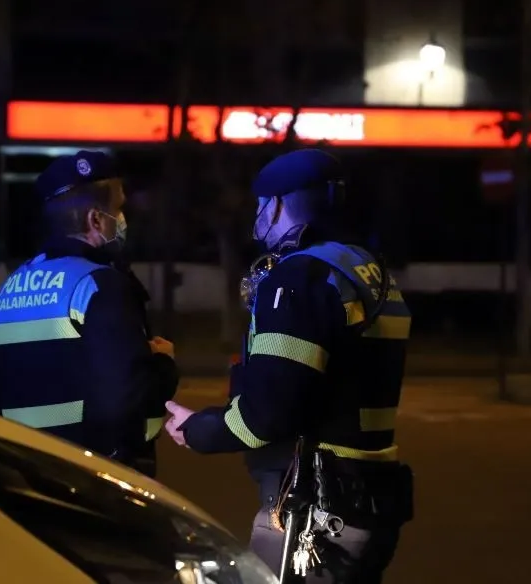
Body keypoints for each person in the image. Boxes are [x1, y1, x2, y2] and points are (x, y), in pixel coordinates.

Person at [165, 149, 414, 583]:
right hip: (368, 498)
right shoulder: (366, 270)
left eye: (262, 205)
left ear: (280, 204)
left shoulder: (300, 278)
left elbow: (267, 414)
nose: (259, 217)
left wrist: (199, 429)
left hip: (313, 509)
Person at [0, 150, 178, 477]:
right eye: (119, 208)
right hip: (91, 481)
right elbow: (124, 402)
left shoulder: (7, 291)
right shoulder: (99, 285)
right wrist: (164, 365)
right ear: (96, 220)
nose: (124, 219)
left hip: (21, 477)